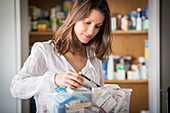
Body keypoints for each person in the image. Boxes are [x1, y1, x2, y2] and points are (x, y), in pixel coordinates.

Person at [10, 0, 112, 100]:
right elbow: (16, 88)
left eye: (97, 26)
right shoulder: (44, 50)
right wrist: (55, 79)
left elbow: (98, 97)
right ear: (74, 17)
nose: (91, 31)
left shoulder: (94, 54)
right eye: (87, 22)